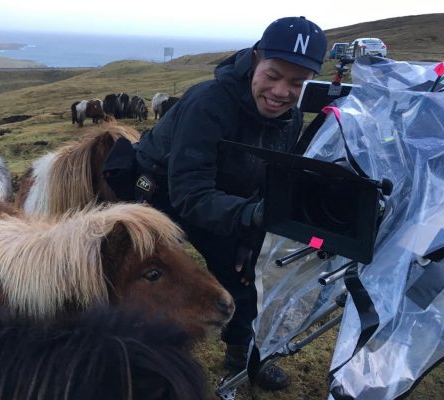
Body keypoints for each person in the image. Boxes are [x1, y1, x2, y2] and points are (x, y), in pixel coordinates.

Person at [132, 16, 327, 390]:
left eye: (297, 82)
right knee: (149, 271)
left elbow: (274, 175)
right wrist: (251, 216)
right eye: (273, 75)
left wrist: (250, 230)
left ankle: (242, 354)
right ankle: (139, 351)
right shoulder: (208, 103)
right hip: (162, 192)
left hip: (228, 196)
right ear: (256, 59)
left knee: (248, 265)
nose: (282, 91)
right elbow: (189, 193)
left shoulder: (291, 117)